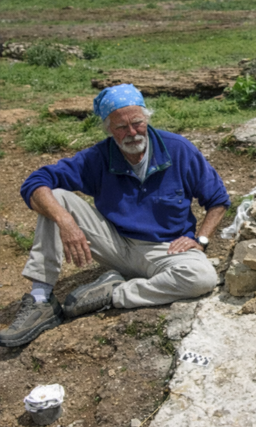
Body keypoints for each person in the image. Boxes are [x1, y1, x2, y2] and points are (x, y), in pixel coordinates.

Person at [0, 84, 230, 348]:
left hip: (167, 250)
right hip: (114, 244)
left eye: (137, 123)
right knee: (58, 198)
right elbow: (36, 182)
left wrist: (200, 240)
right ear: (109, 130)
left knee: (202, 278)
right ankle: (41, 300)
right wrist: (65, 221)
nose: (132, 133)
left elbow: (218, 200)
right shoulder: (98, 157)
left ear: (147, 119)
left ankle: (115, 293)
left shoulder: (178, 150)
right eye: (121, 127)